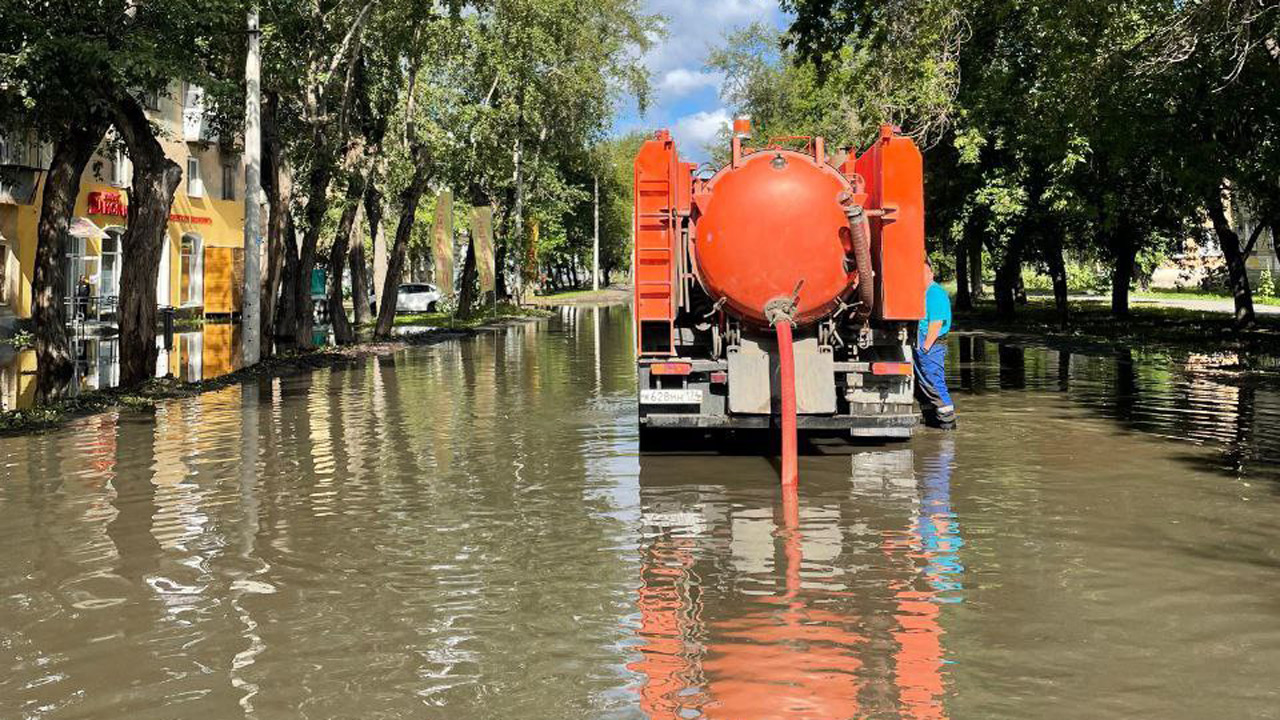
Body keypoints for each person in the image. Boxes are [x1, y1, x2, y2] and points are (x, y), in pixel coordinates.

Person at [914, 258, 955, 429]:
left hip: (931, 346)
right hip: (925, 344)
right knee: (923, 384)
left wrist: (925, 348)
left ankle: (948, 423)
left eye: (924, 272)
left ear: (931, 273)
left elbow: (936, 323)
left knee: (934, 383)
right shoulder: (924, 292)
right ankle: (932, 421)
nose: (921, 276)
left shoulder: (935, 293)